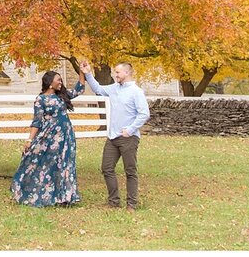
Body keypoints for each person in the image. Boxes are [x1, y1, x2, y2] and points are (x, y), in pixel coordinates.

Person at [81, 60, 150, 210]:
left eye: (117, 72)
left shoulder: (136, 92)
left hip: (128, 138)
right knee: (107, 168)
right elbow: (98, 89)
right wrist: (88, 73)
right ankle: (114, 201)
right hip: (112, 138)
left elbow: (144, 113)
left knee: (130, 171)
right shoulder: (114, 88)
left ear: (127, 73)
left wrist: (130, 130)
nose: (115, 75)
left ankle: (131, 204)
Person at [11, 69, 86, 207]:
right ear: (50, 83)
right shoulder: (41, 99)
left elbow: (79, 89)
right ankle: (39, 193)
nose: (61, 82)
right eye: (58, 79)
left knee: (66, 163)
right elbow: (37, 121)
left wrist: (82, 72)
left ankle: (65, 197)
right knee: (48, 163)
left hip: (66, 137)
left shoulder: (62, 96)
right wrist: (29, 140)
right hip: (49, 137)